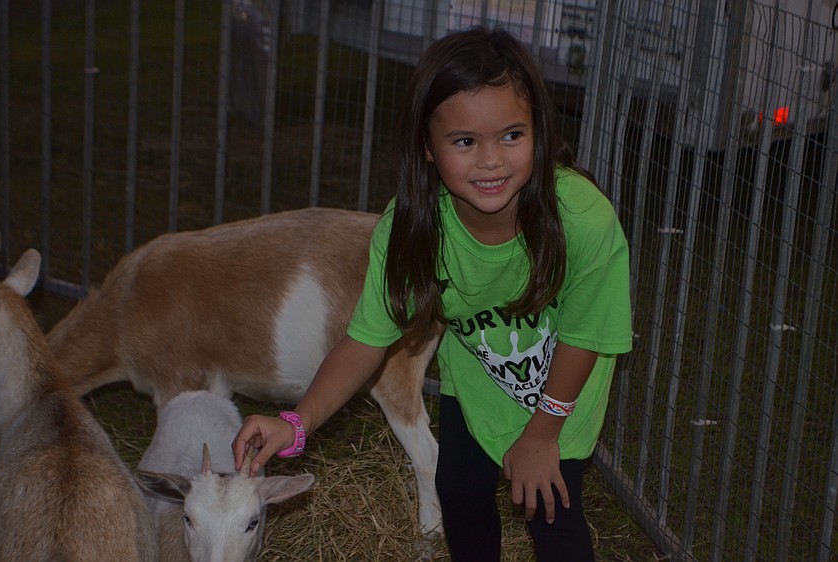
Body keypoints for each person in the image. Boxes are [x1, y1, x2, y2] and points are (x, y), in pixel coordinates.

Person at [232, 26, 632, 561]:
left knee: (553, 515)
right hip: (477, 388)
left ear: (538, 129)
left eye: (512, 135)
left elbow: (585, 336)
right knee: (461, 495)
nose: (491, 160)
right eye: (465, 141)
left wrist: (541, 437)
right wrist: (295, 423)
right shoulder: (413, 232)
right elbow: (365, 341)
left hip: (564, 394)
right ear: (427, 145)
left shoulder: (583, 220)